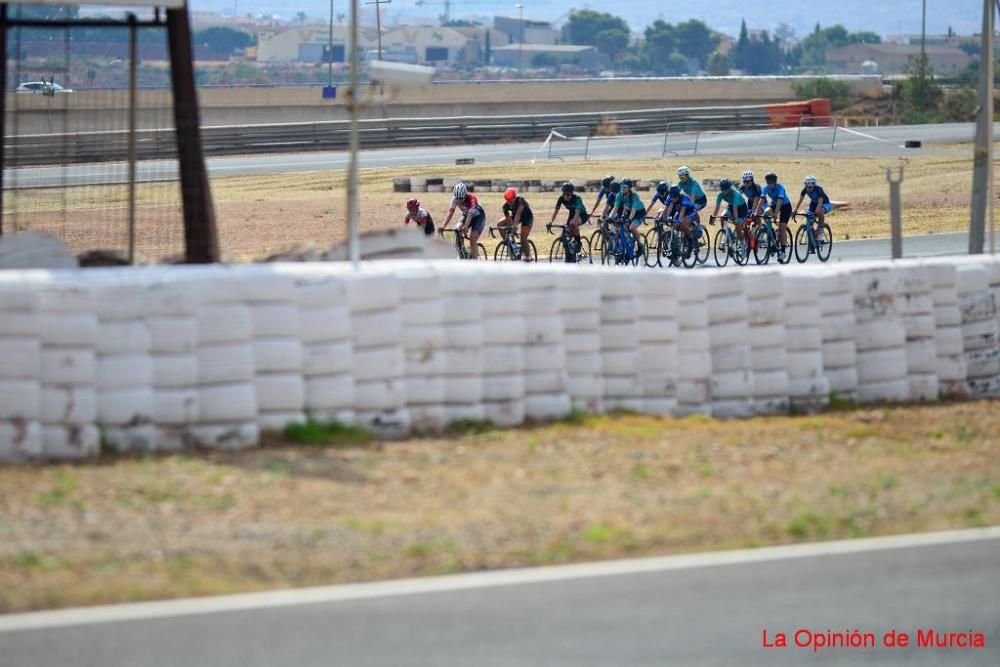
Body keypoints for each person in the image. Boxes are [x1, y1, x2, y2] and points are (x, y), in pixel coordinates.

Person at [440, 182, 486, 259]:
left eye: (461, 198)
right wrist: (443, 226)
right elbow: (450, 213)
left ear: (465, 194)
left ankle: (475, 262)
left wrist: (466, 227)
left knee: (472, 240)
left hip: (478, 217)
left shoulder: (472, 199)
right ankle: (463, 251)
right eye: (457, 198)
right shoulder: (455, 199)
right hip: (466, 216)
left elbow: (470, 215)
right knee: (457, 229)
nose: (459, 201)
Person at [793, 175, 831, 251]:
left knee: (820, 211)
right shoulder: (805, 190)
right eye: (807, 186)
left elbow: (820, 201)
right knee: (809, 221)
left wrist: (817, 211)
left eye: (810, 187)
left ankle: (820, 233)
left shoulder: (818, 189)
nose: (808, 188)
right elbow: (800, 200)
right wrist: (795, 210)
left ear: (814, 185)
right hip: (813, 204)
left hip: (824, 203)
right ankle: (813, 241)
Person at [761, 171, 793, 259]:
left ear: (775, 182)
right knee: (766, 213)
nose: (769, 185)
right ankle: (771, 234)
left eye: (771, 183)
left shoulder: (780, 188)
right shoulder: (765, 188)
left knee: (782, 229)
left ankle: (783, 251)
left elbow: (780, 202)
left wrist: (775, 214)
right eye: (767, 183)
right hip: (775, 204)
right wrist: (756, 212)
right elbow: (762, 200)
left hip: (785, 206)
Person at [549, 182, 589, 248]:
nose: (566, 196)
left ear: (572, 193)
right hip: (572, 213)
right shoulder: (561, 199)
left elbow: (577, 213)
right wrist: (551, 222)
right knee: (567, 231)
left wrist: (573, 223)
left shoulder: (577, 198)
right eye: (564, 194)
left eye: (568, 194)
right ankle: (571, 248)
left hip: (582, 214)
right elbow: (556, 211)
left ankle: (578, 243)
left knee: (573, 224)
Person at [710, 178, 749, 243]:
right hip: (731, 206)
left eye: (726, 189)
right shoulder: (720, 194)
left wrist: (736, 219)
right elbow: (717, 207)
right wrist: (713, 218)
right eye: (722, 189)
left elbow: (735, 208)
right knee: (723, 217)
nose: (724, 191)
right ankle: (728, 234)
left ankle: (743, 244)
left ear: (729, 188)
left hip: (741, 208)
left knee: (738, 228)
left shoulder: (735, 194)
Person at [500, 187, 534, 261]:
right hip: (515, 217)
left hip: (527, 218)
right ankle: (511, 244)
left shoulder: (521, 200)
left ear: (515, 198)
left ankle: (528, 257)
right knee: (500, 224)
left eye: (511, 201)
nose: (509, 203)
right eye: (508, 201)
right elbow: (508, 219)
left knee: (523, 238)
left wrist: (515, 226)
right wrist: (512, 230)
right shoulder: (505, 207)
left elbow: (518, 214)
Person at [611, 178, 646, 249]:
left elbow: (634, 209)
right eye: (621, 187)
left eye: (624, 187)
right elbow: (615, 208)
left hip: (639, 212)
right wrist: (610, 217)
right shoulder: (619, 195)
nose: (622, 189)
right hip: (629, 211)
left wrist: (629, 219)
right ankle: (627, 241)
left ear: (629, 188)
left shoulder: (634, 196)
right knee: (619, 225)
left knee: (632, 227)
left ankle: (640, 245)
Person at [667, 185, 700, 259]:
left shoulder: (684, 199)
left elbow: (682, 212)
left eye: (674, 197)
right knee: (675, 225)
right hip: (681, 212)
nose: (672, 199)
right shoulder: (672, 198)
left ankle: (690, 243)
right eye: (671, 197)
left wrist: (678, 221)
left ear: (678, 196)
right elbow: (669, 209)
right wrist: (666, 218)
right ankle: (678, 243)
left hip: (690, 212)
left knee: (683, 224)